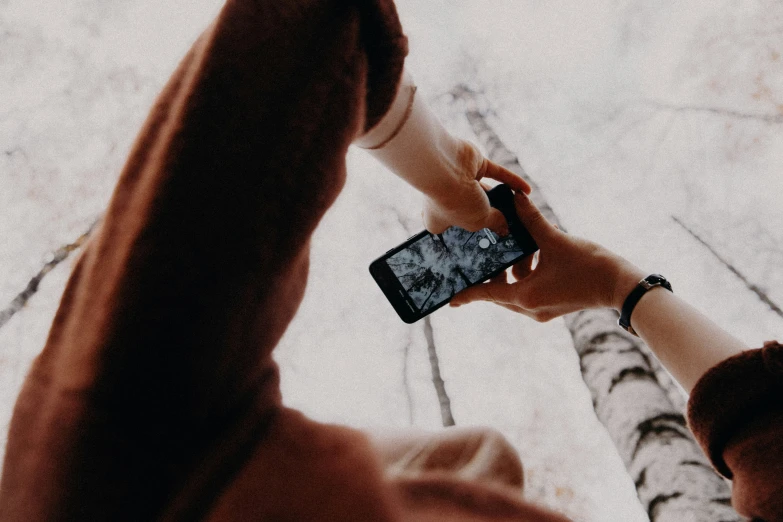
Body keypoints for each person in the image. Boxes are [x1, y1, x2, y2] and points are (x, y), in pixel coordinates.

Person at [0, 0, 780, 520]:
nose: (480, 457)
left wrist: (604, 277)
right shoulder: (135, 472)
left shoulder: (132, 480)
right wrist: (605, 279)